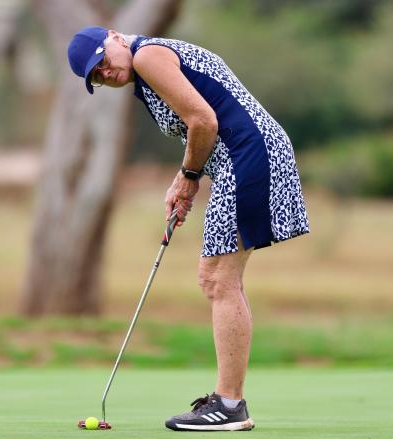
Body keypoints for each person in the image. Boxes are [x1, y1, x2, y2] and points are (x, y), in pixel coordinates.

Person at [67, 26, 309, 432]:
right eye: (96, 77)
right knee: (217, 278)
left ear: (115, 38)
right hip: (243, 160)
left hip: (249, 158)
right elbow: (203, 125)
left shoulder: (146, 56)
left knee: (218, 279)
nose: (105, 74)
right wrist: (189, 180)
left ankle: (229, 405)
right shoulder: (143, 72)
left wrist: (187, 176)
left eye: (103, 61)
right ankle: (230, 401)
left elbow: (203, 121)